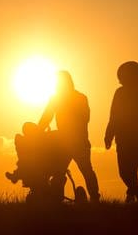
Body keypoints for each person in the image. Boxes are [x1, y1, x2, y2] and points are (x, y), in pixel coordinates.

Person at [38, 70, 100, 202]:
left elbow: (85, 118)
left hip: (77, 141)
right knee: (60, 171)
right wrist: (37, 130)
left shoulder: (79, 98)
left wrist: (39, 130)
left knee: (83, 170)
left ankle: (94, 198)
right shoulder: (61, 98)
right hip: (66, 141)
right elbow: (47, 116)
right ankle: (57, 199)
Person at [104, 61, 138, 202]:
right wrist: (108, 135)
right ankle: (135, 193)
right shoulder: (120, 93)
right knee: (125, 171)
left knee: (130, 169)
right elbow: (114, 115)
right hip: (122, 139)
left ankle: (134, 194)